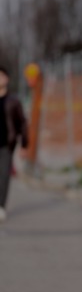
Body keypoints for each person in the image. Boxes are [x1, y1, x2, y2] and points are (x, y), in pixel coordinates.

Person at [0, 67, 28, 222]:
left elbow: (22, 124)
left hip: (6, 144)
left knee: (3, 175)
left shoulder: (13, 101)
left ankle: (1, 206)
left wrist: (24, 145)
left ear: (6, 79)